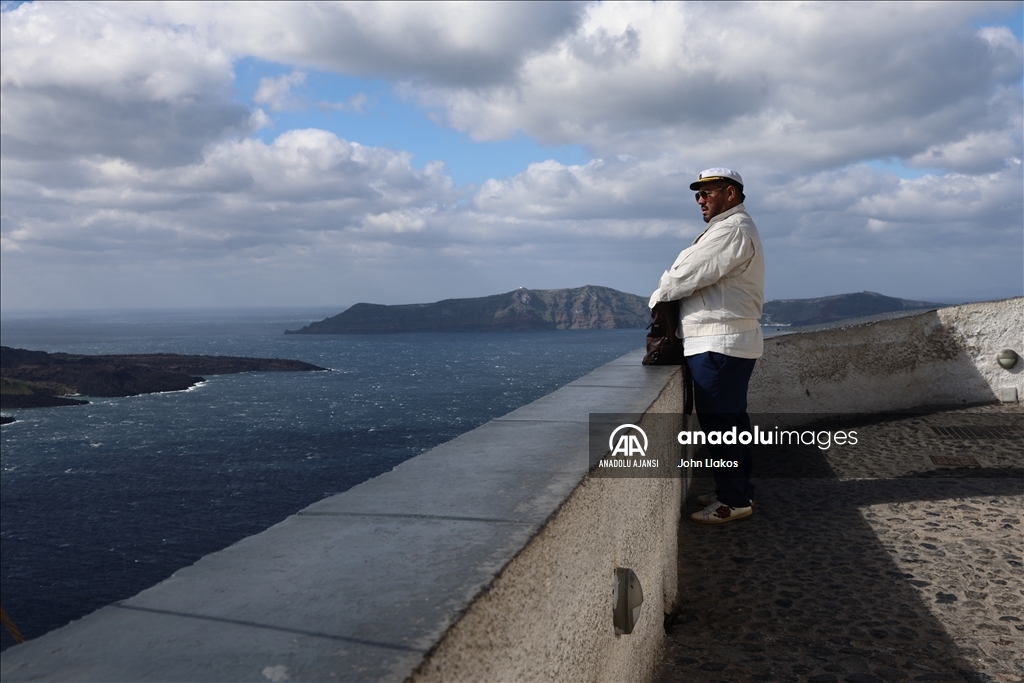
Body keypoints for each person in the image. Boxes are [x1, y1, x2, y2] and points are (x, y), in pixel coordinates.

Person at [648, 168, 764, 524]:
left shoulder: (731, 230)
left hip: (719, 343)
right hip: (726, 342)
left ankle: (733, 501)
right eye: (697, 194)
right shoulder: (730, 228)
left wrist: (658, 295)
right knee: (732, 423)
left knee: (722, 426)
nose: (700, 199)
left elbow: (687, 275)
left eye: (708, 192)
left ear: (730, 193)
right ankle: (738, 489)